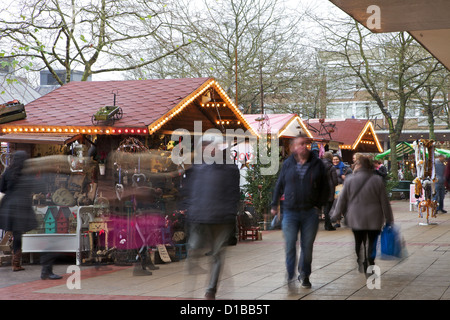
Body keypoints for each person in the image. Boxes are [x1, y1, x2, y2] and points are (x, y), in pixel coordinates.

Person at [184, 134, 240, 300]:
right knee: (193, 252)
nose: (205, 148)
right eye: (203, 145)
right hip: (200, 217)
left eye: (209, 145)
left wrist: (230, 214)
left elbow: (233, 194)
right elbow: (191, 191)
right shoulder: (197, 167)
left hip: (221, 219)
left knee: (217, 255)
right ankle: (192, 291)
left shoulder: (229, 168)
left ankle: (210, 290)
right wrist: (190, 210)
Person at [271, 133, 329, 289]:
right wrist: (273, 205)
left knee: (307, 247)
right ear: (293, 147)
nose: (303, 146)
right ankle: (290, 275)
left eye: (305, 143)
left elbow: (326, 187)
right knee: (290, 245)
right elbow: (279, 184)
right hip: (290, 212)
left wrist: (319, 205)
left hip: (310, 212)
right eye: (300, 144)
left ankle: (305, 274)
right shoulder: (288, 164)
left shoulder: (317, 164)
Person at [331, 155, 394, 274]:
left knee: (358, 241)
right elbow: (384, 201)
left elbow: (342, 199)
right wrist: (389, 218)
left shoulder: (349, 179)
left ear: (358, 166)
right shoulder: (377, 180)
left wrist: (336, 214)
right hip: (374, 217)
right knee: (372, 241)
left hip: (356, 217)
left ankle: (360, 259)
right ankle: (370, 260)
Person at [0, 151, 37, 272]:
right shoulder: (27, 173)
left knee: (9, 233)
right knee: (18, 235)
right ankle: (16, 262)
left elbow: (2, 188)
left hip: (8, 205)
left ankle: (14, 260)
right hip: (22, 206)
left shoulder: (7, 172)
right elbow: (32, 188)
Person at [321, 152, 338, 231]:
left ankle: (327, 224)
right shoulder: (332, 167)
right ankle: (328, 225)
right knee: (328, 207)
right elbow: (335, 181)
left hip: (322, 189)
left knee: (325, 207)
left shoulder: (319, 166)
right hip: (330, 189)